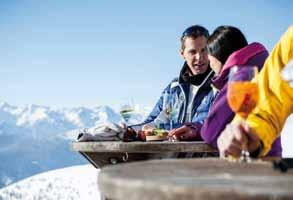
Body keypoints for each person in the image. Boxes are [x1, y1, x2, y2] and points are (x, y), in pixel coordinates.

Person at [196, 25, 282, 157]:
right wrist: (196, 129)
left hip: (252, 164)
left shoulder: (241, 77)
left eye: (208, 56)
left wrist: (200, 129)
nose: (209, 63)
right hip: (270, 156)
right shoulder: (262, 69)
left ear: (217, 55)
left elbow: (210, 133)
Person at [217, 26, 293, 158]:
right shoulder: (290, 43)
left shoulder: (239, 76)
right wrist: (248, 133)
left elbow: (209, 131)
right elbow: (272, 98)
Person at [132, 25, 215, 141]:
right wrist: (129, 131)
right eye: (192, 52)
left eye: (204, 50)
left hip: (204, 156)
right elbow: (152, 122)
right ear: (182, 54)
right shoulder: (173, 89)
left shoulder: (217, 86)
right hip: (170, 154)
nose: (199, 57)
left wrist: (193, 130)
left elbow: (216, 124)